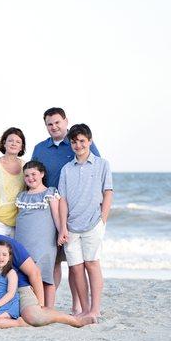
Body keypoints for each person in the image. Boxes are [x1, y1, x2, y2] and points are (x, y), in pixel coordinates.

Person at [0, 208, 96, 328]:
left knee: (35, 316)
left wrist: (40, 303)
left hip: (18, 290)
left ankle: (75, 320)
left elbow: (34, 272)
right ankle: (9, 319)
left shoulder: (5, 244)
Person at [31, 107, 100, 314]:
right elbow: (33, 175)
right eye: (49, 124)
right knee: (52, 260)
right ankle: (48, 305)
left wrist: (98, 212)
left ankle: (77, 305)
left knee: (75, 262)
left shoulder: (77, 142)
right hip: (46, 211)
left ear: (65, 121)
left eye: (57, 122)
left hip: (76, 211)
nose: (54, 127)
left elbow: (95, 171)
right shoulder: (40, 148)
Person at [58, 124, 113, 318]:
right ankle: (84, 308)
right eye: (74, 142)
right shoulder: (66, 170)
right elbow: (62, 200)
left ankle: (95, 310)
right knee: (76, 268)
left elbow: (108, 192)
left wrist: (103, 220)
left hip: (93, 223)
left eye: (82, 141)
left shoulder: (102, 164)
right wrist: (62, 226)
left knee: (92, 264)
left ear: (89, 141)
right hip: (72, 226)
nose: (78, 145)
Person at [15, 161, 61, 308]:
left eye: (34, 174)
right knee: (27, 276)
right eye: (27, 175)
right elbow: (19, 219)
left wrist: (62, 233)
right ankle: (34, 307)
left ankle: (48, 308)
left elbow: (56, 216)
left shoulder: (50, 193)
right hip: (23, 242)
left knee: (46, 276)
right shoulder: (21, 196)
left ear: (42, 174)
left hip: (44, 242)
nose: (30, 178)